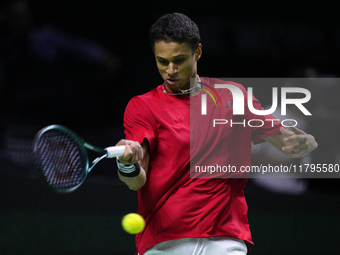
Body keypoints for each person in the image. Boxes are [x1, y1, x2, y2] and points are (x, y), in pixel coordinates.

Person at [115, 13, 318, 255]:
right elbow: (136, 181)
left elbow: (285, 142)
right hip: (164, 242)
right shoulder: (143, 106)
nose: (170, 70)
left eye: (179, 60)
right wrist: (126, 163)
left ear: (197, 52)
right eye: (162, 61)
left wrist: (302, 143)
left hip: (224, 240)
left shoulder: (234, 96)